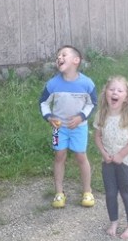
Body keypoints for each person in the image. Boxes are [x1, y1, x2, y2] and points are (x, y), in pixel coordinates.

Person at [39, 45, 97, 208]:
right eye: (57, 56)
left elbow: (92, 104)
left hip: (80, 128)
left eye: (64, 55)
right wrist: (49, 117)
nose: (59, 58)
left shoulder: (87, 83)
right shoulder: (52, 84)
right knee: (59, 156)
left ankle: (87, 191)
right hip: (58, 129)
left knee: (81, 156)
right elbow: (43, 103)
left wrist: (81, 117)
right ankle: (59, 193)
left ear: (76, 60)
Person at [93, 76, 128, 239]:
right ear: (105, 93)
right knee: (110, 193)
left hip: (125, 162)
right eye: (111, 89)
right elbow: (97, 136)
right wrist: (104, 153)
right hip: (107, 161)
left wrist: (121, 155)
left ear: (126, 97)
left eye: (120, 91)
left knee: (125, 192)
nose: (115, 93)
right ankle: (113, 222)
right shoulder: (101, 115)